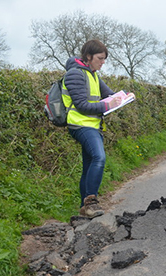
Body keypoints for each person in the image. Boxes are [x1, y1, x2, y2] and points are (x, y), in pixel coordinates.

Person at [62, 39, 124, 218]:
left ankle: (84, 206)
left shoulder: (94, 74)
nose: (103, 62)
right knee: (99, 157)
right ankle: (91, 203)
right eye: (100, 58)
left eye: (104, 59)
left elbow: (110, 95)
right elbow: (81, 105)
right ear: (88, 56)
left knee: (89, 164)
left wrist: (125, 96)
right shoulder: (75, 74)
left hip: (92, 125)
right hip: (80, 124)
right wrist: (106, 106)